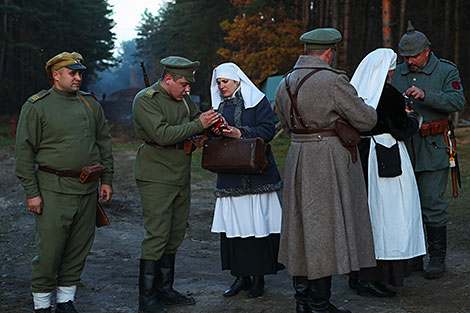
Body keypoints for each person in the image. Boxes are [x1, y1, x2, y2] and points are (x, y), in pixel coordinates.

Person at [275, 28, 378, 313]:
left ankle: (303, 301)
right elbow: (366, 119)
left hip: (298, 155)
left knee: (301, 228)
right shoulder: (333, 82)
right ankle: (319, 304)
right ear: (329, 51)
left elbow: (285, 125)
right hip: (327, 160)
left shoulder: (284, 82)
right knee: (324, 229)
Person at [15, 52, 114, 313]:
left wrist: (107, 179)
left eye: (80, 73)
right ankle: (41, 305)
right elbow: (24, 153)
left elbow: (104, 143)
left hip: (87, 188)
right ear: (56, 75)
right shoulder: (37, 106)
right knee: (50, 251)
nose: (78, 78)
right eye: (73, 73)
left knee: (78, 248)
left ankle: (66, 301)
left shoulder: (91, 104)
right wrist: (32, 192)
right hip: (52, 189)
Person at [132, 56, 220, 313]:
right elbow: (163, 134)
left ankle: (165, 289)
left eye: (189, 85)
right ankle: (146, 299)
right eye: (183, 84)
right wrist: (200, 123)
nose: (187, 89)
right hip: (156, 174)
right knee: (157, 234)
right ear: (168, 79)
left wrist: (212, 126)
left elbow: (196, 123)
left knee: (175, 232)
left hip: (180, 173)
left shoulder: (184, 99)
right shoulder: (146, 100)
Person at [348, 48, 426, 296]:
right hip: (386, 155)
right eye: (392, 66)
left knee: (365, 213)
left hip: (360, 156)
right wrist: (414, 118)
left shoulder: (355, 92)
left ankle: (358, 274)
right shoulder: (387, 93)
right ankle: (375, 277)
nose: (394, 70)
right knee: (387, 215)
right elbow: (401, 129)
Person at [392, 21, 465, 279]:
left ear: (426, 51)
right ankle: (414, 256)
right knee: (407, 203)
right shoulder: (397, 73)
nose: (409, 62)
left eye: (413, 56)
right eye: (405, 57)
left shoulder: (445, 71)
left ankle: (437, 257)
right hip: (404, 146)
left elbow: (457, 101)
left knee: (432, 203)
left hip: (434, 147)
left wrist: (426, 95)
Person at [209, 63, 284, 299]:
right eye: (219, 83)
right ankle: (241, 277)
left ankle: (258, 279)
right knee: (234, 228)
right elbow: (209, 134)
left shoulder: (258, 101)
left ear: (238, 81)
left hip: (257, 174)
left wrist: (240, 133)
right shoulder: (217, 106)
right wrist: (216, 130)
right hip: (230, 175)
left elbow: (268, 130)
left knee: (257, 226)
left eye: (226, 82)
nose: (221, 87)